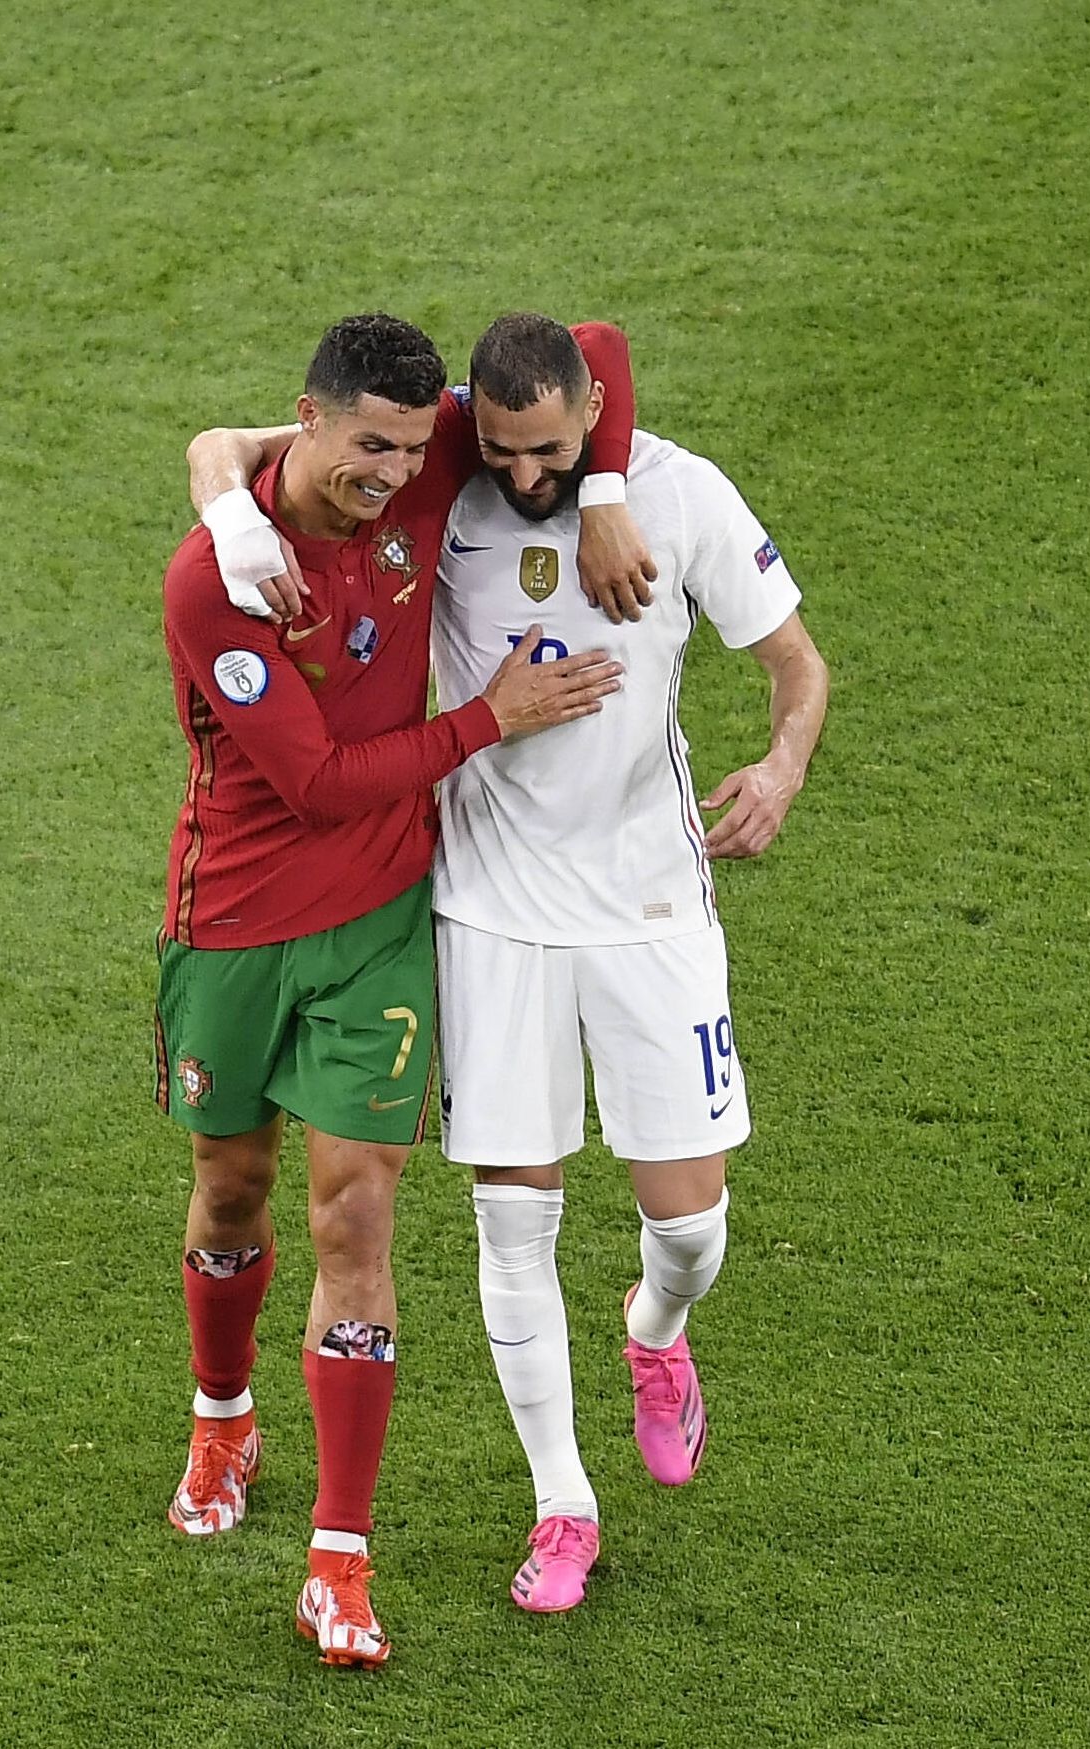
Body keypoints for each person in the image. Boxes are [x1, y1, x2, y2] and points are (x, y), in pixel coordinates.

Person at [158, 312, 651, 1669]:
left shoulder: (428, 459)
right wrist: (491, 717)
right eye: (368, 447)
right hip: (237, 923)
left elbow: (592, 339)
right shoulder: (215, 587)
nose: (399, 475)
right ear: (307, 422)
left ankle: (339, 1555)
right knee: (230, 1185)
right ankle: (221, 1414)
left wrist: (599, 491)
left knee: (358, 1212)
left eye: (409, 449)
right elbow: (313, 787)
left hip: (378, 922)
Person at [430, 312, 829, 1613]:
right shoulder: (447, 487)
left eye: (550, 451)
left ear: (594, 410)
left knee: (691, 1227)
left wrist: (781, 767)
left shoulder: (679, 493)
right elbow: (257, 448)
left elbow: (796, 666)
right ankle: (563, 1504)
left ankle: (654, 1334)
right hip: (492, 913)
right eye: (503, 450)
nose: (524, 475)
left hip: (652, 912)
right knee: (511, 1218)